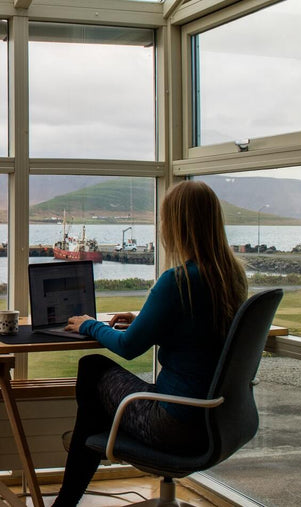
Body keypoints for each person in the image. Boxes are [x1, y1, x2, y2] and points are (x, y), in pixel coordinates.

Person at [51, 180, 248, 507]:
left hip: (173, 424)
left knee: (93, 367)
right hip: (219, 421)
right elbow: (197, 331)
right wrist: (146, 320)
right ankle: (88, 445)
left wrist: (90, 325)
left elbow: (128, 347)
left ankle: (77, 472)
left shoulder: (178, 281)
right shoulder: (232, 278)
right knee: (96, 402)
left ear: (175, 226)